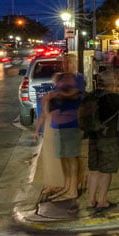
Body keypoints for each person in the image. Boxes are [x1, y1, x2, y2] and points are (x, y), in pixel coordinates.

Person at [82, 74, 119, 212]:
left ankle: (91, 201)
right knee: (106, 171)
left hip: (93, 137)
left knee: (93, 170)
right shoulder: (115, 98)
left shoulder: (89, 97)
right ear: (112, 84)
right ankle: (102, 201)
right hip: (110, 137)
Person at [38, 72, 83, 201]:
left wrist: (57, 94)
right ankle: (68, 186)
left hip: (70, 126)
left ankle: (72, 189)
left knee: (71, 157)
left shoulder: (73, 89)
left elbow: (75, 93)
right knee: (64, 158)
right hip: (60, 126)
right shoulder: (60, 90)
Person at [32, 73, 66, 201]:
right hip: (61, 126)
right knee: (60, 155)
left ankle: (53, 184)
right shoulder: (66, 95)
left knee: (50, 155)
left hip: (50, 127)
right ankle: (60, 183)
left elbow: (42, 115)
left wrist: (37, 130)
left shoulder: (49, 96)